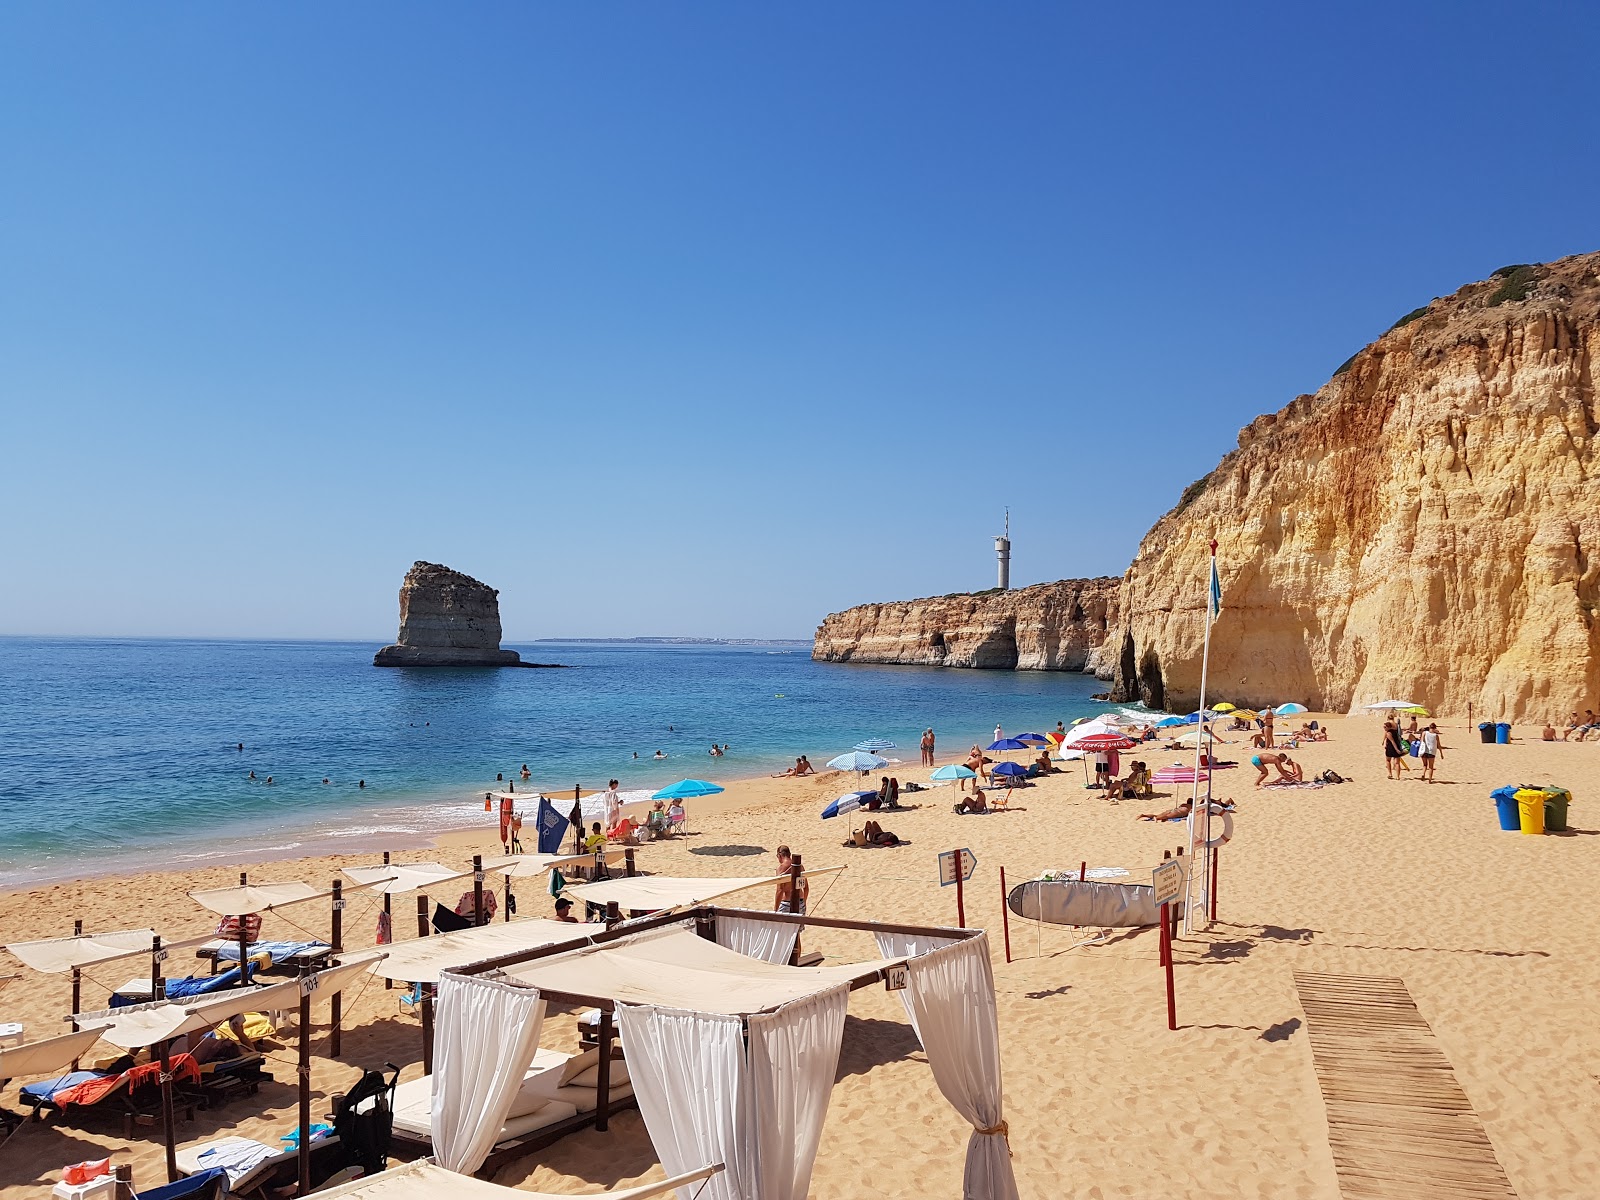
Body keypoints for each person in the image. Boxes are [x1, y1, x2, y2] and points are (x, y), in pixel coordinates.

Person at [774, 846, 807, 914]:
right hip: (800, 902)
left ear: (779, 855)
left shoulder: (781, 868)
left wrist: (775, 910)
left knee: (780, 924)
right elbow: (806, 888)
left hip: (786, 903)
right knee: (799, 924)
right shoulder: (800, 866)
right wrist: (804, 902)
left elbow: (780, 890)